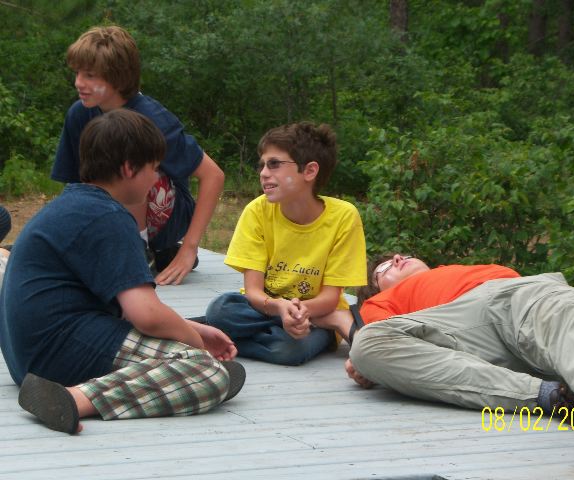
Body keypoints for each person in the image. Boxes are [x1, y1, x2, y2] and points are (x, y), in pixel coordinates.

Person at [0, 109, 244, 435]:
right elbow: (146, 315)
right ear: (129, 168)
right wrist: (196, 342)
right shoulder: (108, 216)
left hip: (27, 357)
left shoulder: (74, 204)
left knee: (187, 350)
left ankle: (154, 375)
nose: (156, 179)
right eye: (154, 168)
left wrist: (191, 327)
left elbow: (126, 307)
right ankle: (74, 398)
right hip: (58, 353)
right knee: (207, 372)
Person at [344, 254, 574, 436]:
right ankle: (551, 396)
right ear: (375, 289)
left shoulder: (458, 270)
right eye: (385, 267)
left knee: (562, 318)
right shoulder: (379, 303)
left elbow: (570, 322)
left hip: (521, 300)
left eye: (403, 255)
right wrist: (367, 365)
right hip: (463, 336)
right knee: (367, 344)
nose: (398, 258)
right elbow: (379, 347)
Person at [51, 25, 225, 285]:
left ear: (118, 78)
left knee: (126, 169)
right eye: (77, 73)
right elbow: (74, 185)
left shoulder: (152, 118)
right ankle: (156, 253)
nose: (78, 82)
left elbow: (213, 175)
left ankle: (141, 251)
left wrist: (189, 249)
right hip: (114, 208)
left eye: (89, 75)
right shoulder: (79, 114)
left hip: (166, 209)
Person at [203, 122, 367, 365]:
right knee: (220, 309)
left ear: (309, 171)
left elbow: (330, 299)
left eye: (274, 164)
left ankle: (214, 340)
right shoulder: (257, 211)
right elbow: (253, 292)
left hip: (314, 315)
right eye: (262, 165)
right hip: (264, 308)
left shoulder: (343, 217)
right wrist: (280, 308)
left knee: (290, 349)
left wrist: (299, 313)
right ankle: (235, 335)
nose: (263, 173)